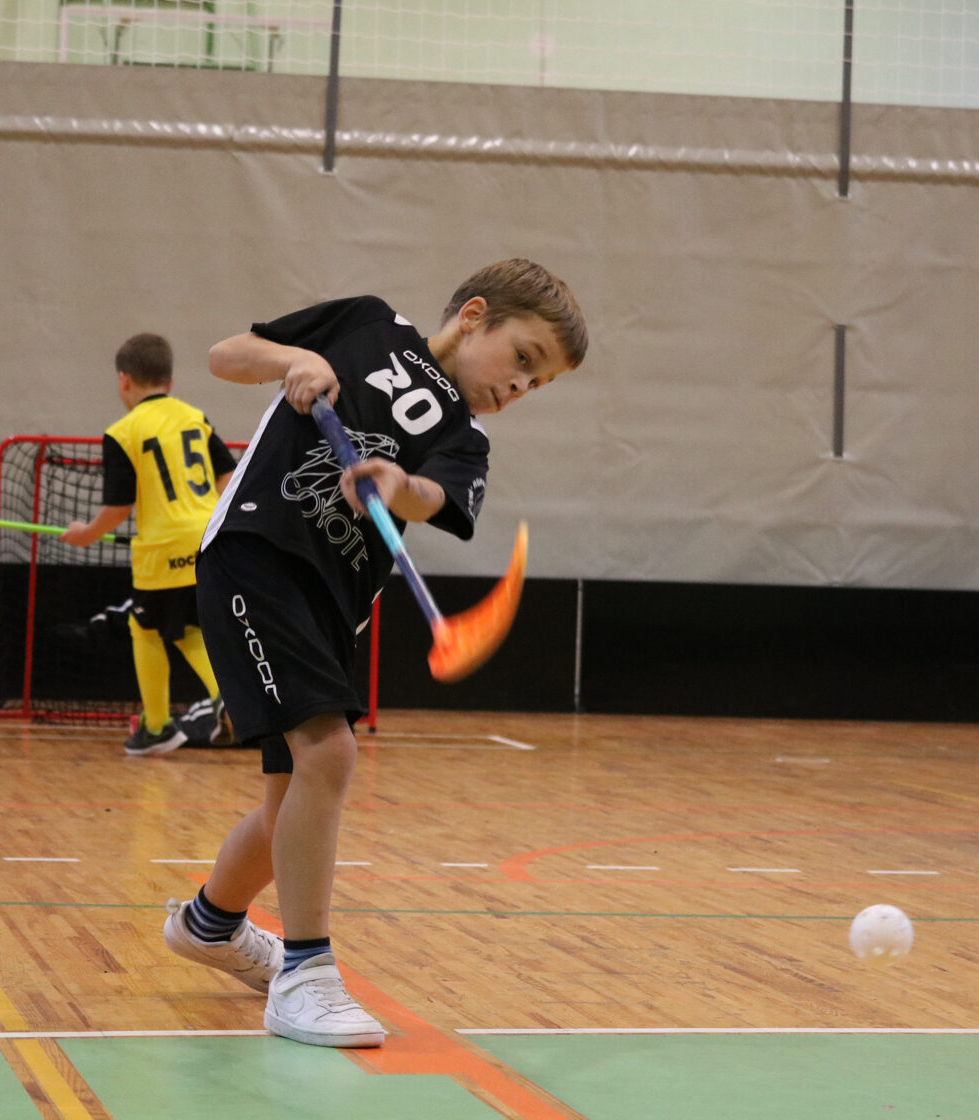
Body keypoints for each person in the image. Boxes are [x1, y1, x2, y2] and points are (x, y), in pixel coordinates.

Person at [162, 259, 587, 1048]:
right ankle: (306, 975)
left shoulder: (465, 441)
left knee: (289, 802)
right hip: (257, 553)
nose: (521, 386)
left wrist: (398, 486)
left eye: (539, 383)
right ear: (473, 316)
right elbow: (227, 356)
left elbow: (437, 498)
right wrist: (296, 361)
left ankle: (209, 923)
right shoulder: (367, 323)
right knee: (329, 755)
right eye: (523, 358)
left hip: (334, 606)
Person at [62, 332, 238, 756]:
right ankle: (212, 701)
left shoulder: (122, 432)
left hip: (163, 548)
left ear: (123, 380)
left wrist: (86, 533)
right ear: (170, 382)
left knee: (144, 628)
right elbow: (228, 477)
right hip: (208, 537)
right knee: (186, 626)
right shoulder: (195, 417)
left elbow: (118, 506)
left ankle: (161, 725)